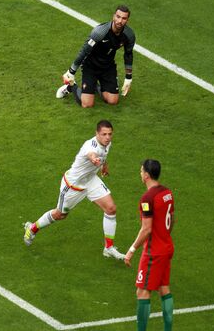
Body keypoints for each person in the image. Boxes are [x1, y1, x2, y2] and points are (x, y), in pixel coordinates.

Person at [23, 120, 125, 260]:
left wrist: (104, 166)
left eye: (110, 134)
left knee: (111, 208)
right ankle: (33, 228)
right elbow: (93, 154)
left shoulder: (107, 144)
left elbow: (103, 155)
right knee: (60, 215)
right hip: (73, 185)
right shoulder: (90, 145)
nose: (107, 137)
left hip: (90, 180)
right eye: (104, 134)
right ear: (97, 134)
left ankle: (108, 248)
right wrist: (94, 160)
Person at [124, 159, 175, 331]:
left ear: (146, 175)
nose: (140, 174)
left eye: (141, 171)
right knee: (163, 288)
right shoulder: (167, 192)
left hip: (154, 252)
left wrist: (131, 250)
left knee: (142, 292)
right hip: (167, 247)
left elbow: (146, 229)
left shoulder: (147, 198)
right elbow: (172, 220)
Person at [57, 5, 136, 108]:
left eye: (124, 18)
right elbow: (84, 51)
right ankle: (71, 87)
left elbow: (128, 54)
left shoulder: (129, 35)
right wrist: (71, 71)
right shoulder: (100, 32)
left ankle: (95, 86)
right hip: (91, 66)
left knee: (113, 101)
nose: (120, 21)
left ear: (127, 20)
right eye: (118, 16)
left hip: (108, 67)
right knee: (87, 104)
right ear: (113, 16)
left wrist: (128, 78)